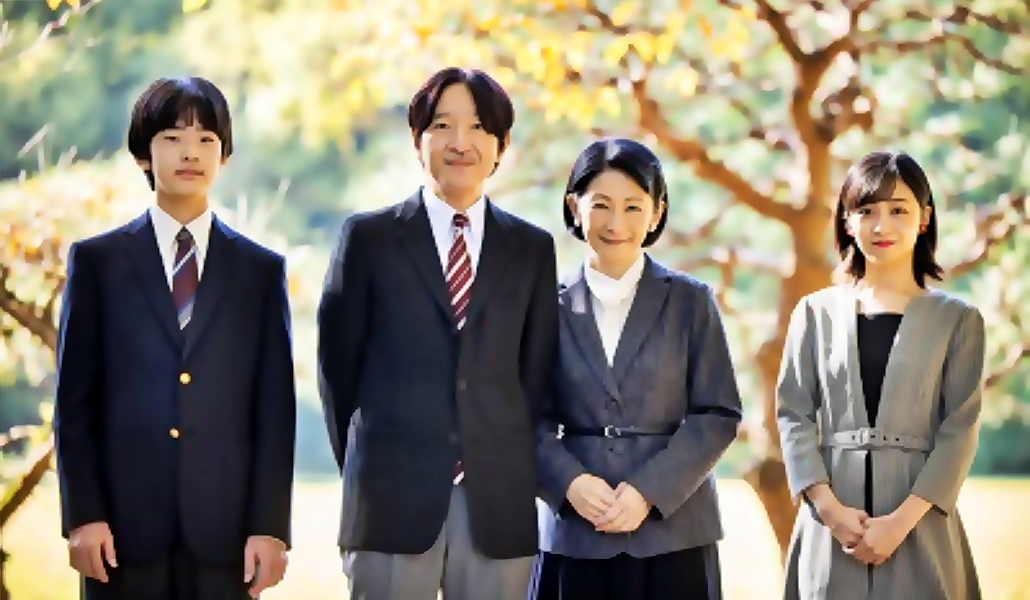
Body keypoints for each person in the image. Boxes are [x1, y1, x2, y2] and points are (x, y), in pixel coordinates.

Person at [317, 66, 559, 600]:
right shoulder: (368, 239)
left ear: (501, 145)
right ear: (417, 139)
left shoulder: (531, 249)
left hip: (497, 503)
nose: (460, 143)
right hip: (390, 499)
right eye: (442, 126)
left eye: (478, 128)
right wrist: (370, 469)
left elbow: (537, 380)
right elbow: (337, 373)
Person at [53, 76, 297, 600]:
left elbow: (275, 413)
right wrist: (83, 516)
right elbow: (74, 405)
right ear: (143, 153)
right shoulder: (97, 263)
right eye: (173, 138)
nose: (191, 152)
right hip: (120, 534)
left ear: (224, 156)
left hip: (226, 535)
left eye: (206, 139)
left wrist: (270, 528)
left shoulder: (259, 271)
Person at [533, 138, 743, 600]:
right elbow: (523, 419)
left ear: (656, 212)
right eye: (601, 205)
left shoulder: (691, 301)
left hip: (676, 532)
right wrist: (570, 483)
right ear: (574, 206)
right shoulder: (541, 304)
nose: (616, 224)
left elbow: (718, 414)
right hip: (575, 535)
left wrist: (648, 491)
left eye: (633, 207)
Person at [777, 150, 984, 600]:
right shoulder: (814, 312)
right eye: (866, 211)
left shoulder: (958, 320)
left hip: (920, 523)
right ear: (847, 221)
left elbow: (959, 430)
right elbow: (793, 415)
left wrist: (899, 524)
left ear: (924, 218)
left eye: (898, 210)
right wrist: (829, 510)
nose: (881, 225)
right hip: (831, 526)